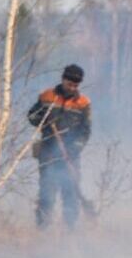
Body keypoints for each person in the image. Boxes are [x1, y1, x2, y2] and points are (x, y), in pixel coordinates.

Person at [27, 64, 91, 228]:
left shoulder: (83, 103)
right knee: (47, 193)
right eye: (70, 84)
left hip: (71, 156)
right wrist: (43, 116)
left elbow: (85, 131)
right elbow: (32, 117)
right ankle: (43, 228)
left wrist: (74, 148)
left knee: (70, 192)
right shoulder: (47, 97)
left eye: (76, 85)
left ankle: (70, 229)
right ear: (63, 79)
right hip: (48, 154)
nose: (72, 88)